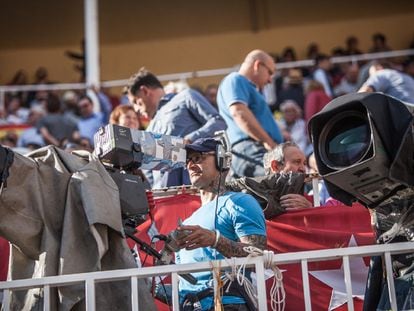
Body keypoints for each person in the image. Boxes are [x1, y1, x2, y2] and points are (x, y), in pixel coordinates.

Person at [174, 138, 267, 310]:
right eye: (188, 160)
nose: (190, 165)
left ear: (221, 160)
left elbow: (257, 255)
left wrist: (215, 240)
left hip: (227, 303)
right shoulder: (187, 221)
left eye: (198, 158)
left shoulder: (240, 202)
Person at [126, 68, 227, 188]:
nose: (136, 109)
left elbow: (219, 122)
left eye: (136, 102)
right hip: (168, 198)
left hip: (197, 187)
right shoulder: (148, 131)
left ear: (145, 91)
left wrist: (190, 140)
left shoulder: (185, 97)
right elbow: (151, 177)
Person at [217, 49, 283, 179]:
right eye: (270, 72)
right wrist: (269, 142)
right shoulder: (235, 79)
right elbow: (239, 112)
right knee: (279, 180)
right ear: (257, 65)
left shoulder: (247, 87)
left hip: (253, 148)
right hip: (250, 148)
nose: (270, 80)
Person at [263, 142, 313, 209]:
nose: (303, 169)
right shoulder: (259, 201)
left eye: (304, 163)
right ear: (276, 166)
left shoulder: (312, 201)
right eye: (297, 162)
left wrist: (310, 209)